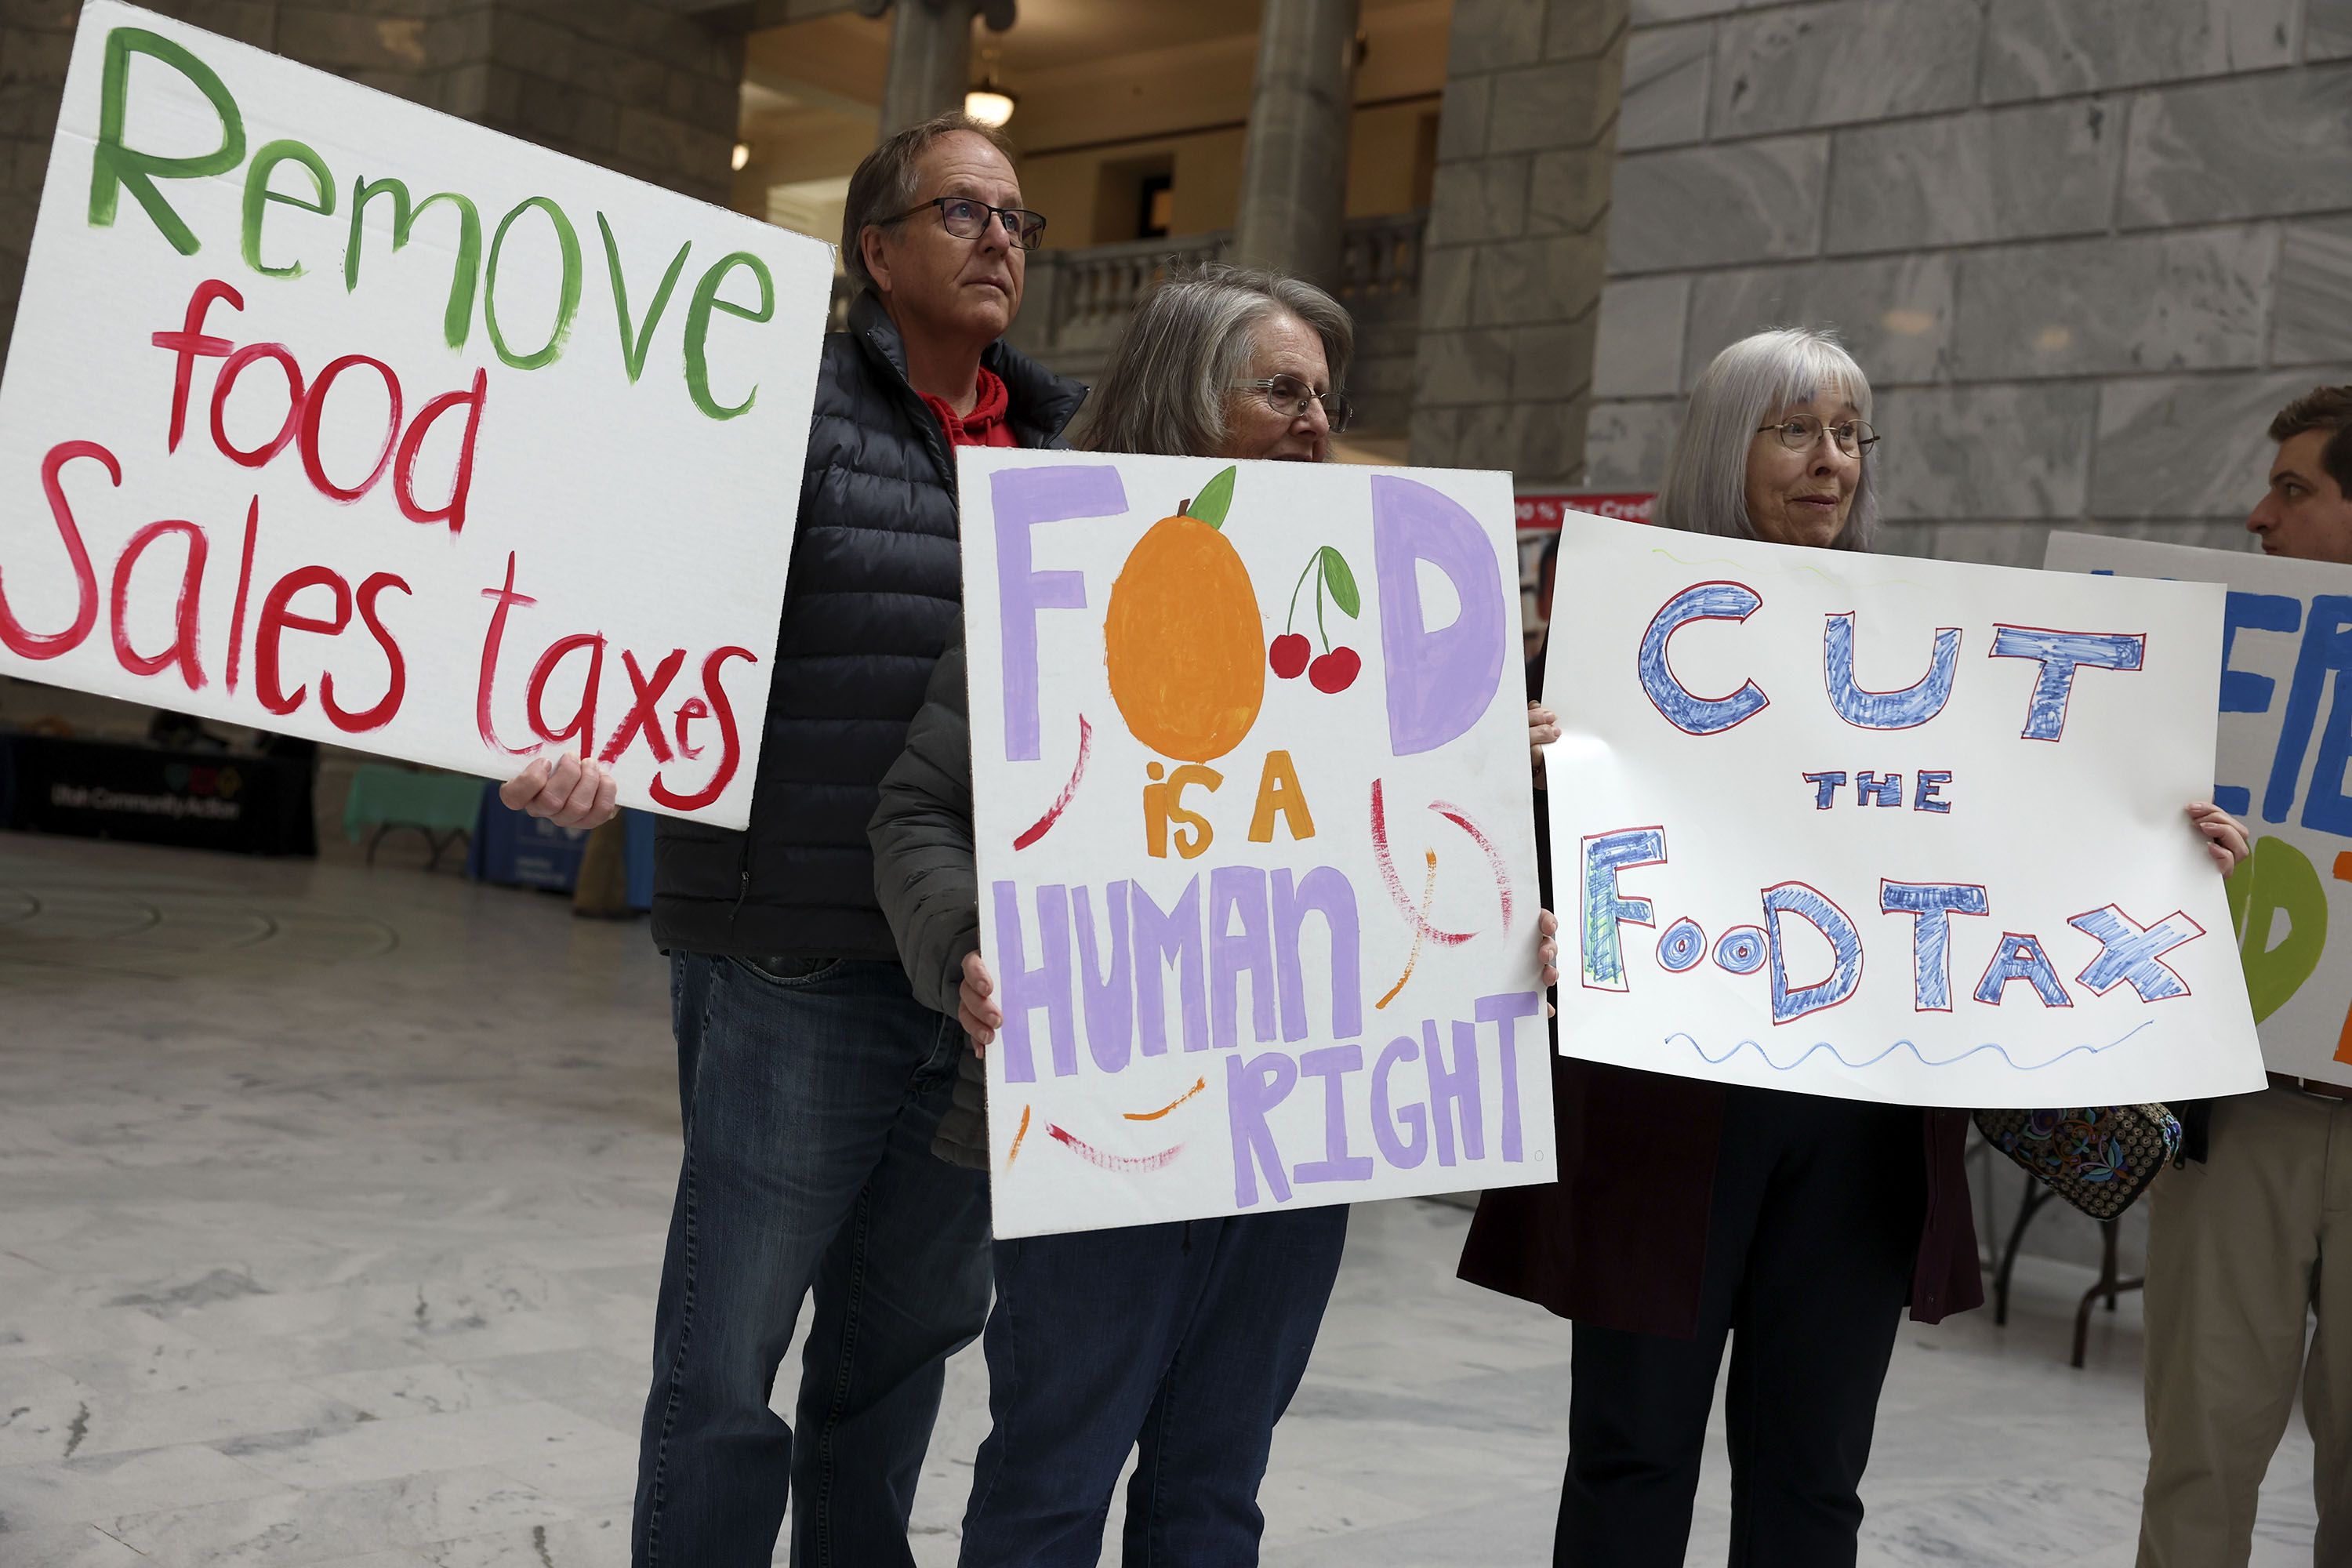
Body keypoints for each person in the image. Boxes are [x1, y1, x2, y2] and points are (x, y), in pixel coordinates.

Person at [1460, 326, 2252, 1568]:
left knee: (1815, 1471)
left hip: (1864, 1117)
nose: (1832, 462)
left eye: (1849, 435)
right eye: (1796, 431)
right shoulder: (1624, 625)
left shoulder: (1927, 638)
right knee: (1633, 1452)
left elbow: (2022, 829)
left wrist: (2156, 840)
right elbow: (1530, 868)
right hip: (1666, 1105)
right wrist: (1528, 781)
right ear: (1728, 445)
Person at [867, 262, 1561, 1566]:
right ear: (1188, 397)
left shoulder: (1367, 607)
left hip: (1302, 1126)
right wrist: (967, 941)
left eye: (1324, 395)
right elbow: (914, 815)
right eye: (1281, 390)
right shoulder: (1054, 581)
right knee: (1053, 1480)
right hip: (1101, 1111)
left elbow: (1415, 859)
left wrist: (1498, 791)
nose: (1315, 419)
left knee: (1214, 1486)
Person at [501, 114, 1086, 1567]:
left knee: (897, 1361)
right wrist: (595, 754)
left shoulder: (1080, 451)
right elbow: (648, 628)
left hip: (979, 986)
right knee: (725, 1364)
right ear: (874, 251)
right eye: (963, 212)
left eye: (1016, 218)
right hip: (793, 960)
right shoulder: (768, 415)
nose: (1000, 238)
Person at [2138, 384, 2352, 1568]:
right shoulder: (2209, 671)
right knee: (2200, 1459)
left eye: (2294, 489)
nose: (2258, 517)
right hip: (2245, 1105)